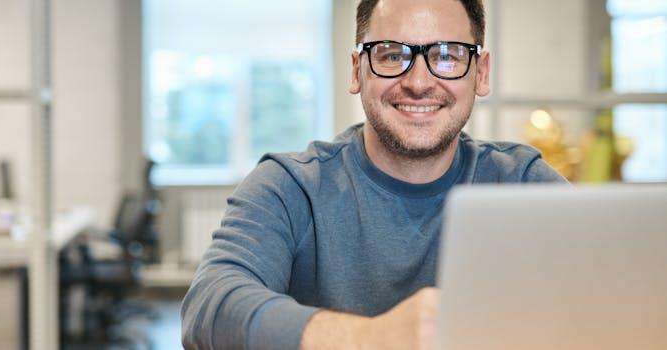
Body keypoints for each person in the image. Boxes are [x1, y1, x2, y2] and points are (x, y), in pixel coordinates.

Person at [181, 0, 566, 349]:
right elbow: (210, 309)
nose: (418, 83)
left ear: (480, 74)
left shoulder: (522, 184)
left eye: (447, 56)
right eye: (391, 55)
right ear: (356, 70)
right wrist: (370, 337)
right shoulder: (290, 187)